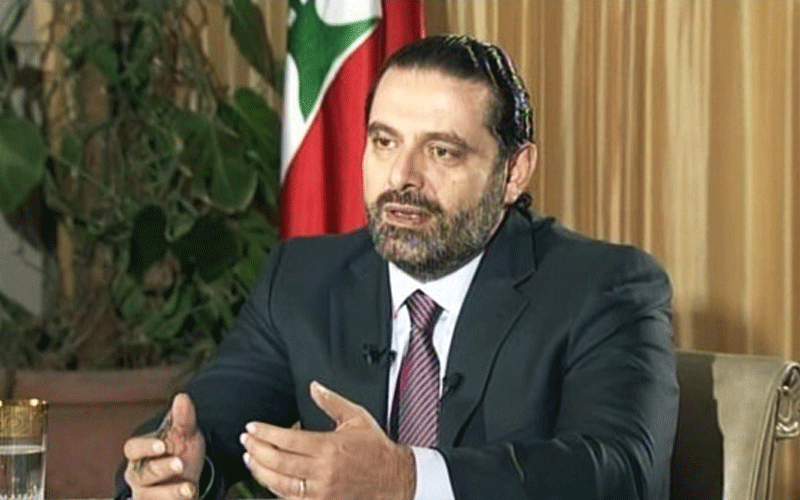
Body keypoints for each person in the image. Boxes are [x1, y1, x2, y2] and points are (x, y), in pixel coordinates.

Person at [118, 35, 678, 500]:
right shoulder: (304, 280)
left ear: (513, 172)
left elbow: (622, 473)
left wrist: (408, 479)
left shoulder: (602, 288)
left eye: (441, 151)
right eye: (384, 142)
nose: (402, 177)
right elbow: (206, 424)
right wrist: (173, 466)